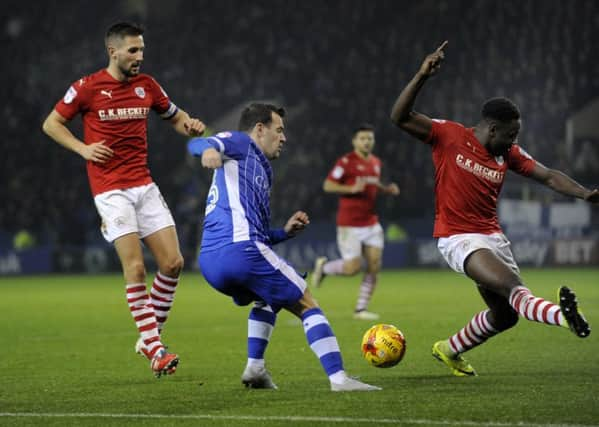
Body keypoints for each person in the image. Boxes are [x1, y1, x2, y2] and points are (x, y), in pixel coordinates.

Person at [390, 41, 596, 376]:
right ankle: (565, 317)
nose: (514, 142)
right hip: (458, 238)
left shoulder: (508, 154)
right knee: (513, 286)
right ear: (492, 128)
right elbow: (399, 117)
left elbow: (547, 175)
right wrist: (421, 76)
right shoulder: (449, 136)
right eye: (511, 135)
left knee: (506, 316)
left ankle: (449, 348)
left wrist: (584, 193)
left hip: (492, 237)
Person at [42, 22, 206, 378]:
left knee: (174, 262)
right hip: (110, 189)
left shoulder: (147, 86)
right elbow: (52, 123)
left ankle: (149, 336)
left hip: (144, 185)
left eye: (142, 50)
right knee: (135, 268)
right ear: (113, 52)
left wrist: (190, 126)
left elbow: (175, 117)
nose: (140, 56)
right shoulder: (86, 88)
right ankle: (155, 347)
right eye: (133, 50)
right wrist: (83, 148)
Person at [187, 103, 380, 391]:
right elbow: (198, 142)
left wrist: (285, 232)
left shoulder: (260, 171)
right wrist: (209, 150)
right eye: (279, 130)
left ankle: (255, 369)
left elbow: (261, 234)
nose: (284, 138)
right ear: (260, 129)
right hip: (241, 252)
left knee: (267, 298)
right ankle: (339, 378)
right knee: (306, 301)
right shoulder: (241, 143)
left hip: (212, 261)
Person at [310, 124, 400, 320]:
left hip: (371, 222)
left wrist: (387, 189)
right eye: (362, 138)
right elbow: (328, 185)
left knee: (374, 265)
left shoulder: (376, 162)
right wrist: (350, 189)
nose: (367, 142)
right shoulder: (345, 162)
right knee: (352, 269)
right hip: (349, 223)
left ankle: (360, 309)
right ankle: (324, 268)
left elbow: (372, 186)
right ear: (354, 141)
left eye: (369, 138)